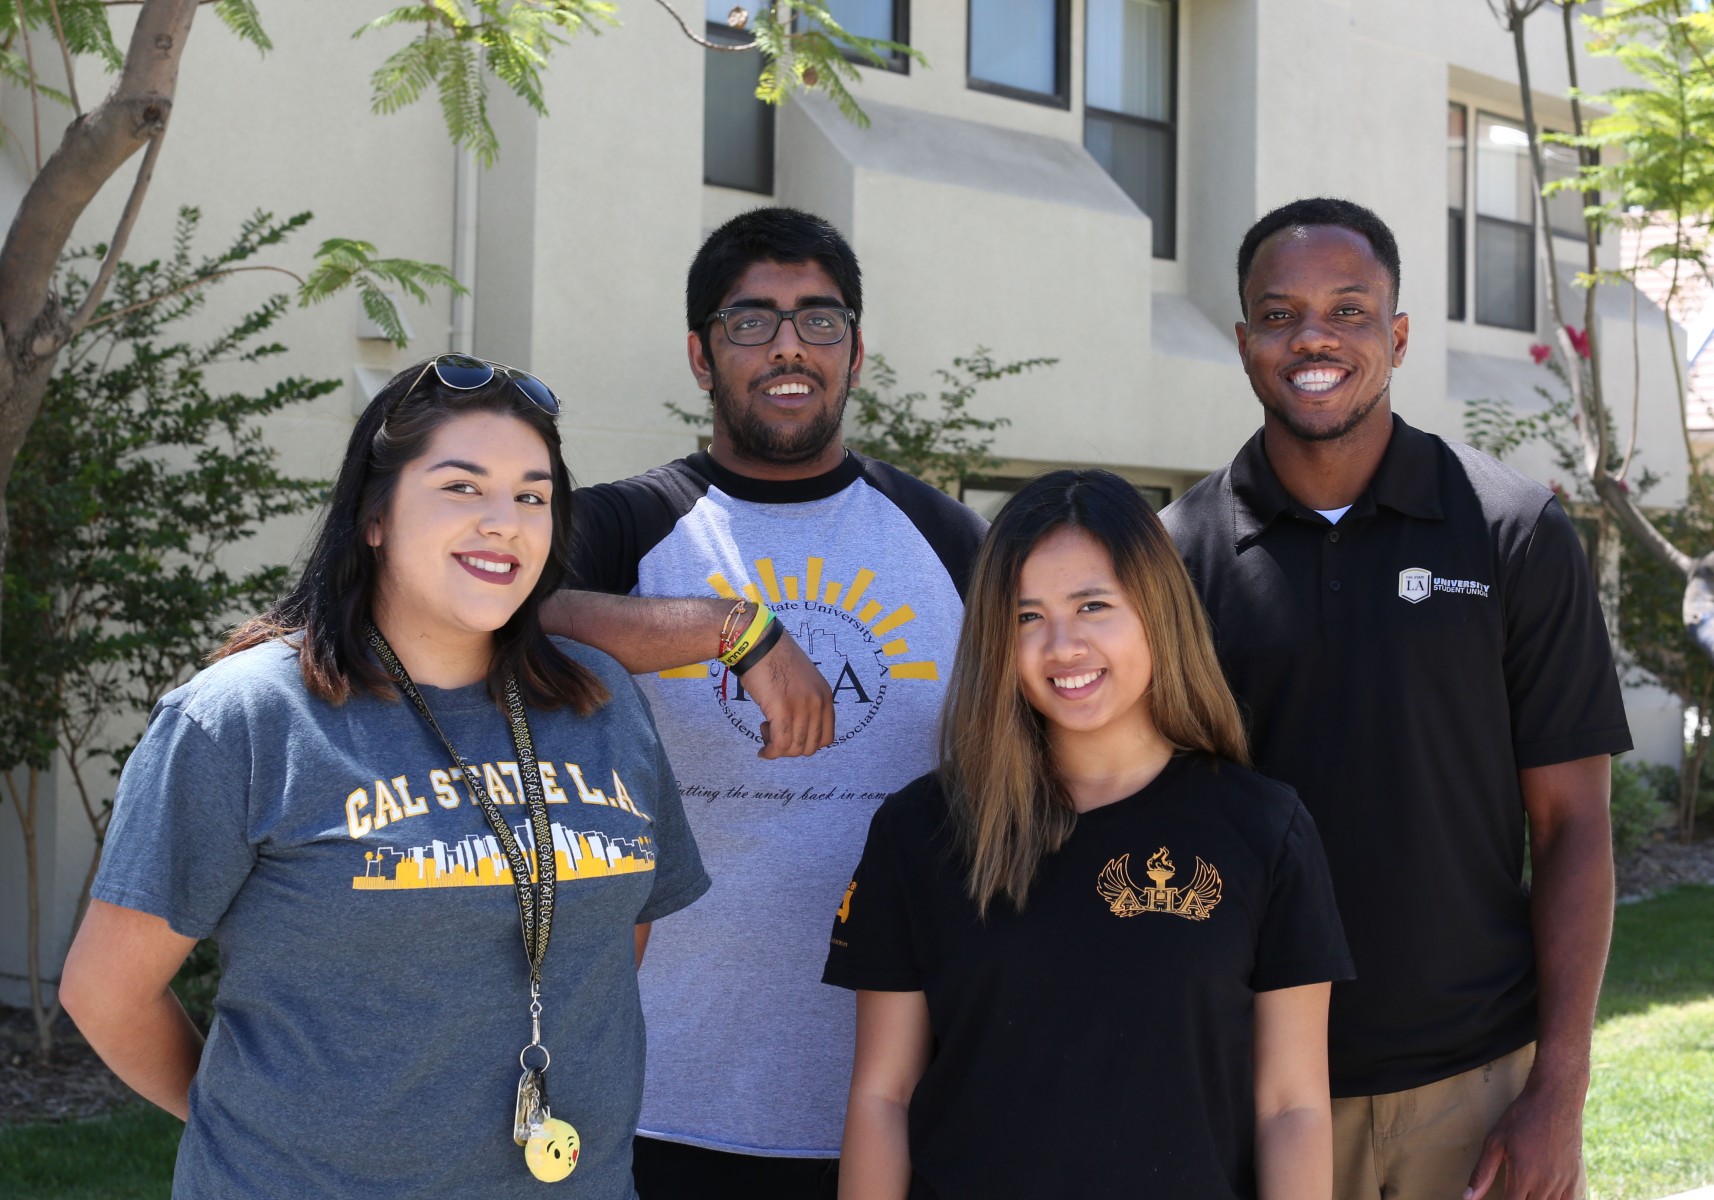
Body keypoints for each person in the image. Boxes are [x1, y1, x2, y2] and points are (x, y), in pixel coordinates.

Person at [60, 355, 709, 1198]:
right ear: (374, 516)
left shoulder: (602, 700)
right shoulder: (245, 721)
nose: (504, 522)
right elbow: (107, 992)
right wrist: (261, 1128)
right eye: (461, 488)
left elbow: (609, 945)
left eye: (532, 495)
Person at [1162, 197, 1632, 1200]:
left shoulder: (1509, 533)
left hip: (1475, 1088)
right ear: (1244, 343)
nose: (1314, 338)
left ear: (1399, 335)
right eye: (1279, 315)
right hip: (1252, 1092)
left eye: (1349, 309)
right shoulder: (1172, 559)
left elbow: (1573, 827)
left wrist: (1558, 1088)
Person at [547, 206, 986, 1197]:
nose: (788, 346)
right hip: (648, 1097)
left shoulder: (948, 540)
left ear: (857, 352)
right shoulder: (625, 526)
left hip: (890, 1104)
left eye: (818, 320)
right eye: (751, 322)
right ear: (701, 357)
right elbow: (483, 620)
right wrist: (727, 629)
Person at [824, 469, 1354, 1199]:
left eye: (1092, 605)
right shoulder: (921, 833)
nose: (1062, 645)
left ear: (1156, 611)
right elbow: (885, 1094)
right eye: (1025, 617)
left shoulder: (1264, 830)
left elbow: (1291, 1106)